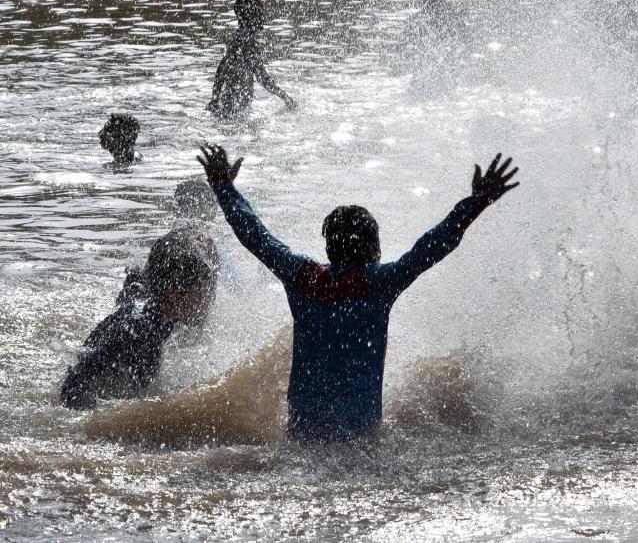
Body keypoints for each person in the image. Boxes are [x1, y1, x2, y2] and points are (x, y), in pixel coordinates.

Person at [197, 143, 520, 441]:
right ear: (375, 247)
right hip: (361, 435)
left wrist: (223, 186)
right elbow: (431, 246)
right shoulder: (378, 284)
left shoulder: (302, 278)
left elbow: (254, 234)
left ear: (328, 247)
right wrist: (477, 201)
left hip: (302, 432)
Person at [60, 234, 217, 410]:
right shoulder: (142, 336)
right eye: (200, 291)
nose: (206, 299)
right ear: (173, 293)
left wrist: (212, 257)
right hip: (82, 397)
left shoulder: (162, 311)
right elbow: (74, 384)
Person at [207, 0, 297, 118]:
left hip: (228, 102)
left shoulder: (233, 38)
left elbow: (221, 70)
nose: (263, 18)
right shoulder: (249, 43)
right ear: (252, 17)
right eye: (260, 14)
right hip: (237, 106)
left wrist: (215, 99)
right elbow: (262, 78)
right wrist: (286, 98)